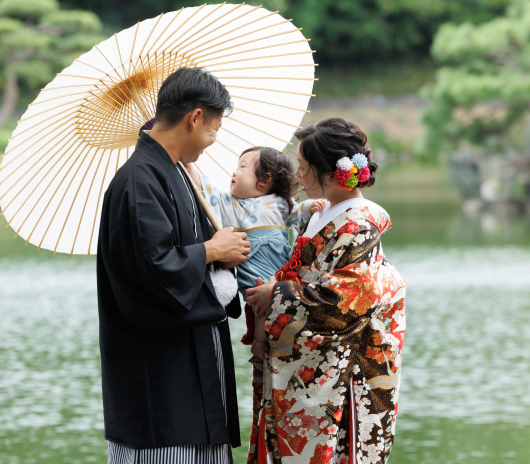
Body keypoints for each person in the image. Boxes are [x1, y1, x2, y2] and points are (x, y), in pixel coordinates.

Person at [97, 67, 250, 463]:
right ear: (194, 118)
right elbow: (154, 267)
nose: (211, 143)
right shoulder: (138, 181)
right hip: (161, 381)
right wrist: (212, 252)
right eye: (213, 131)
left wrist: (221, 245)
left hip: (193, 369)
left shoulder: (176, 173)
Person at [243, 118, 406, 464]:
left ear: (333, 175)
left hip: (342, 372)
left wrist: (275, 296)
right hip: (310, 368)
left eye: (304, 168)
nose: (298, 176)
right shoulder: (323, 214)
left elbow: (341, 305)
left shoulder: (360, 225)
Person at [183, 148, 327, 359]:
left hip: (278, 265)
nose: (233, 172)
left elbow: (297, 213)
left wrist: (311, 206)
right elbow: (204, 186)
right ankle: (259, 342)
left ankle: (291, 337)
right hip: (252, 268)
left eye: (241, 167)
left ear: (264, 179)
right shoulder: (230, 203)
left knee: (284, 300)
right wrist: (187, 164)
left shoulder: (279, 202)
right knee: (261, 309)